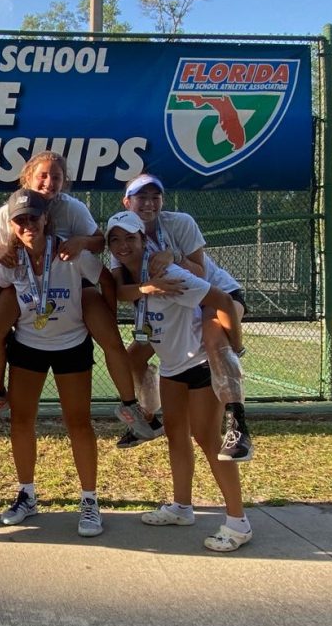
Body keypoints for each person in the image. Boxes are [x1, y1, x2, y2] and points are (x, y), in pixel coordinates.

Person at [0, 150, 157, 442]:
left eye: (56, 177)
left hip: (75, 284)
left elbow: (100, 242)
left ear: (64, 182)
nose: (49, 182)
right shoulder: (9, 209)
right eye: (43, 176)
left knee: (110, 338)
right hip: (25, 285)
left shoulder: (72, 208)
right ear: (28, 178)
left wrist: (81, 241)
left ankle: (129, 405)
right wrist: (2, 252)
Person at [107, 210, 253, 552]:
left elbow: (220, 299)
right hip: (172, 366)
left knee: (207, 439)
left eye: (130, 237)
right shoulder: (130, 275)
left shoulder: (169, 273)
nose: (122, 245)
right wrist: (146, 288)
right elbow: (121, 292)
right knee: (175, 437)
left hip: (200, 363)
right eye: (115, 239)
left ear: (144, 240)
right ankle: (182, 507)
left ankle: (238, 522)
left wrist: (235, 344)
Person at [111, 174, 252, 461]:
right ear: (127, 202)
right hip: (177, 305)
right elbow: (118, 290)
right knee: (132, 359)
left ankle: (238, 426)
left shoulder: (180, 222)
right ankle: (148, 419)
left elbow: (200, 273)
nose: (149, 203)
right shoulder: (122, 234)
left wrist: (172, 255)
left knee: (214, 339)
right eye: (141, 197)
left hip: (216, 294)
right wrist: (146, 287)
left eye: (155, 197)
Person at [0, 189, 110, 537]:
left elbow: (102, 276)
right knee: (21, 421)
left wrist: (106, 311)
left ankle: (90, 501)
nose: (28, 224)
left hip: (71, 342)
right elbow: (2, 289)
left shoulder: (70, 250)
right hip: (28, 344)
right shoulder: (9, 260)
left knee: (78, 423)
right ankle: (27, 494)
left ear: (46, 218)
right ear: (12, 225)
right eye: (21, 219)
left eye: (34, 217)